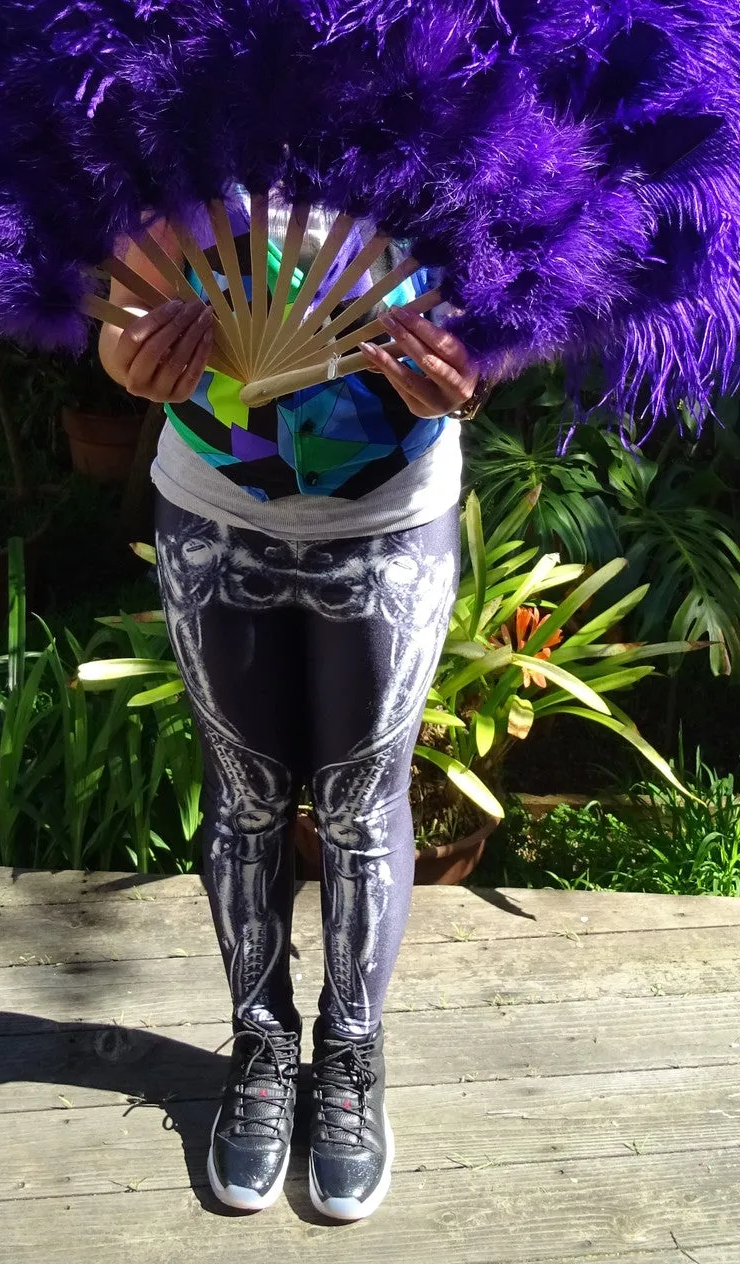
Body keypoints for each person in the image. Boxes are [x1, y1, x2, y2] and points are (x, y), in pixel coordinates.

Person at [98, 204, 484, 1221]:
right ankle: (262, 1043)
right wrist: (129, 354)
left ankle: (351, 1051)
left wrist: (476, 369)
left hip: (391, 514)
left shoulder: (454, 97)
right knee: (246, 798)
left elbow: (526, 296)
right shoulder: (204, 101)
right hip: (215, 506)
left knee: (363, 806)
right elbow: (126, 298)